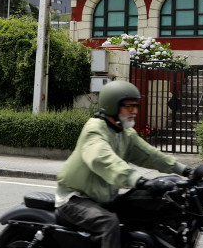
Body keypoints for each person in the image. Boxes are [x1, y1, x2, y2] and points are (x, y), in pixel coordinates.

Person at [55, 80, 192, 248]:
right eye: (129, 106)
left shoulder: (124, 132)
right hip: (75, 199)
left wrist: (185, 171)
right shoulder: (95, 130)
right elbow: (103, 160)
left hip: (105, 198)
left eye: (136, 106)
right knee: (109, 223)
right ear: (113, 106)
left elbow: (150, 154)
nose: (134, 111)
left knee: (157, 204)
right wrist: (138, 180)